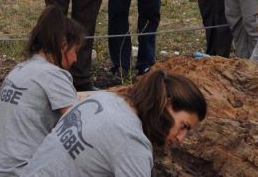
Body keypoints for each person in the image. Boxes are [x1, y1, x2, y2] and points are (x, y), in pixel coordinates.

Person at [22, 69, 207, 176]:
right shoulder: (132, 143)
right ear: (167, 104)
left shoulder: (103, 99)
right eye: (183, 126)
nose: (181, 138)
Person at [0, 5, 85, 176]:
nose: (75, 59)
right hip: (25, 171)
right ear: (63, 45)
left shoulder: (18, 70)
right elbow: (80, 127)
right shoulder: (53, 75)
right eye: (75, 51)